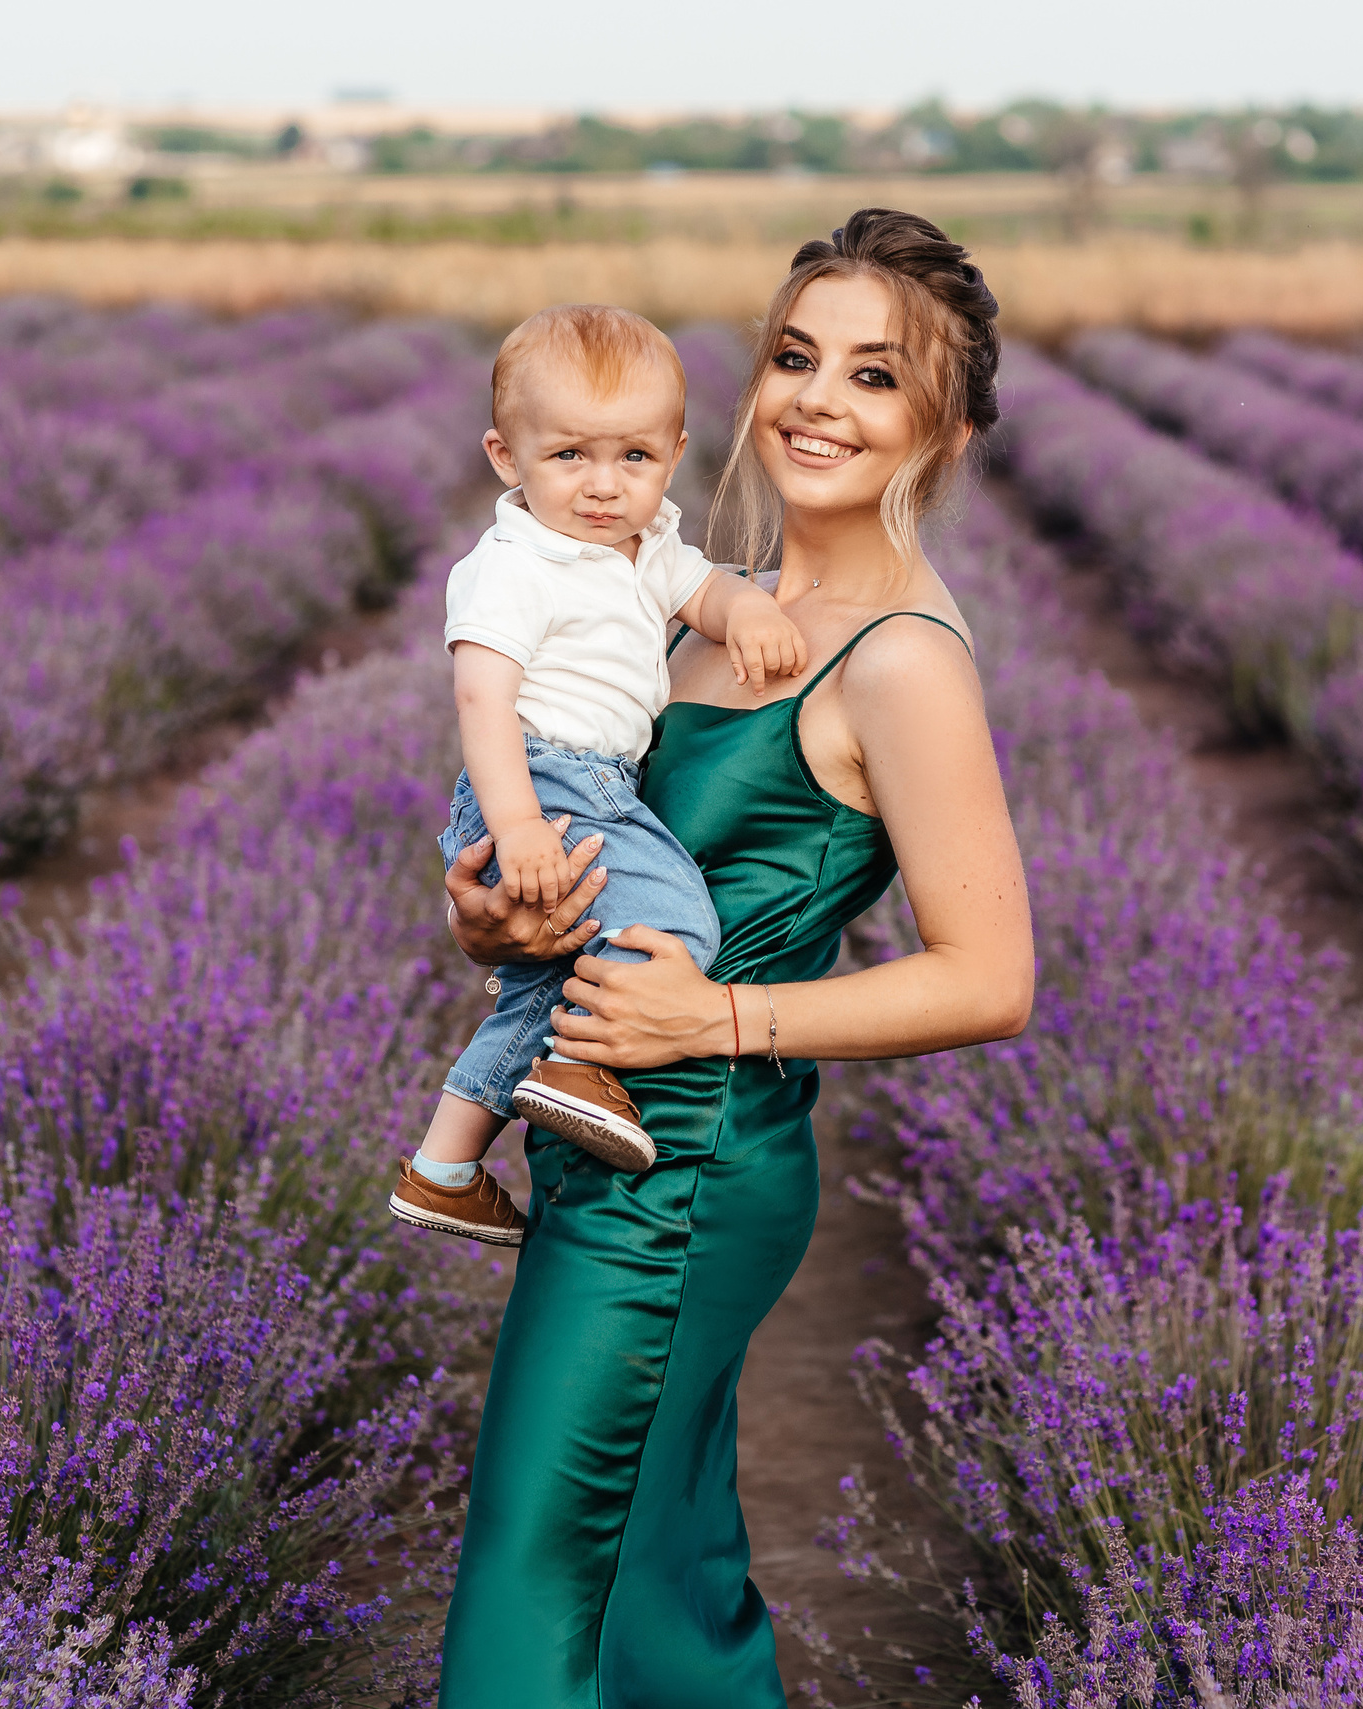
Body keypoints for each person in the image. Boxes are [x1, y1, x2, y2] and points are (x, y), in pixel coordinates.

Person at [432, 209, 1036, 1707]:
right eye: (793, 355)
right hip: (614, 1132)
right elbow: (604, 872)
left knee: (537, 1561)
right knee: (654, 1566)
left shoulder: (897, 655)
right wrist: (495, 918)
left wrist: (716, 1015)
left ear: (945, 429)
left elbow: (989, 976)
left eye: (876, 377)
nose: (818, 400)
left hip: (689, 1168)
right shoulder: (695, 604)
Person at [389, 305, 811, 1246]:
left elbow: (698, 587)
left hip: (586, 784)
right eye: (570, 456)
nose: (603, 486)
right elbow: (483, 706)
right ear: (507, 456)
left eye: (634, 458)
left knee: (542, 992)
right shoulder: (512, 565)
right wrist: (525, 824)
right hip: (546, 780)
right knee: (677, 917)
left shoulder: (645, 542)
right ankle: (581, 1072)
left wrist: (742, 609)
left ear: (675, 454)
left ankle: (445, 1165)